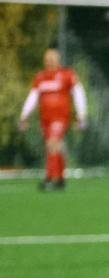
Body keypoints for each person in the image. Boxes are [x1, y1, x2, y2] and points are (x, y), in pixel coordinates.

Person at [19, 48, 88, 191]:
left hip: (61, 117)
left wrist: (81, 113)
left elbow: (78, 92)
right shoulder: (40, 77)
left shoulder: (67, 74)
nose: (49, 62)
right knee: (55, 147)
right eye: (47, 59)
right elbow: (33, 96)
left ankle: (49, 179)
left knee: (52, 143)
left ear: (58, 60)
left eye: (52, 59)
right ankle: (61, 180)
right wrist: (24, 115)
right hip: (45, 118)